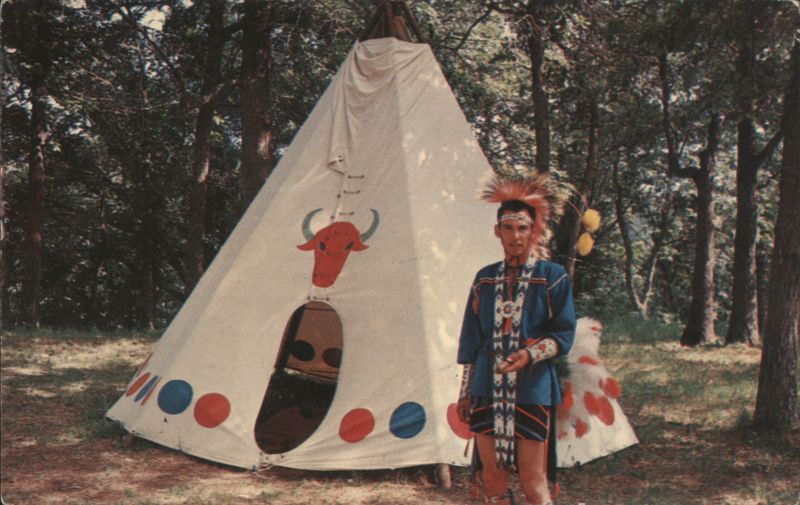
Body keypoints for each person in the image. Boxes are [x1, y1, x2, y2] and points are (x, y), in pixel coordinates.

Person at [456, 174, 576, 505]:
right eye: (508, 228)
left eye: (522, 228)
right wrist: (465, 392)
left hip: (532, 386)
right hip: (486, 385)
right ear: (497, 231)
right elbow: (472, 338)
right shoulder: (485, 279)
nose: (515, 236)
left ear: (533, 230)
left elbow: (563, 333)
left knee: (532, 479)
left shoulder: (551, 277)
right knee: (492, 476)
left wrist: (530, 355)